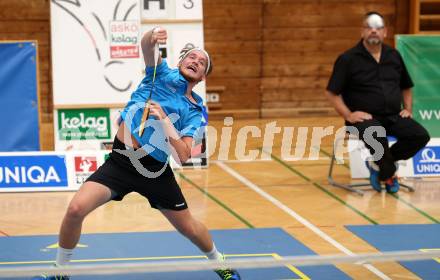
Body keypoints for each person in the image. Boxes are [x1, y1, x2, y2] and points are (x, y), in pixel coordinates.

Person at [35, 27, 241, 280]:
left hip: (154, 171)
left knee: (189, 228)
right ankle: (61, 271)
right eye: (192, 57)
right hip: (120, 163)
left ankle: (217, 260)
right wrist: (152, 35)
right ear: (180, 62)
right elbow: (146, 46)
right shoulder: (160, 74)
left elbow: (184, 156)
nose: (196, 62)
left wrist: (165, 122)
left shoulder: (195, 111)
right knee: (76, 208)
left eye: (201, 63)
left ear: (202, 77)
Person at [325, 11, 430, 193]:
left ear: (385, 32)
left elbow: (406, 86)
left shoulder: (394, 56)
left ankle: (379, 165)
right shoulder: (348, 59)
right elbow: (332, 93)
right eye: (369, 28)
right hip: (362, 120)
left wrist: (408, 108)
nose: (373, 31)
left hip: (393, 116)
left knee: (420, 135)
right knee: (377, 134)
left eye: (378, 28)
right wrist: (349, 115)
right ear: (362, 32)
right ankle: (388, 174)